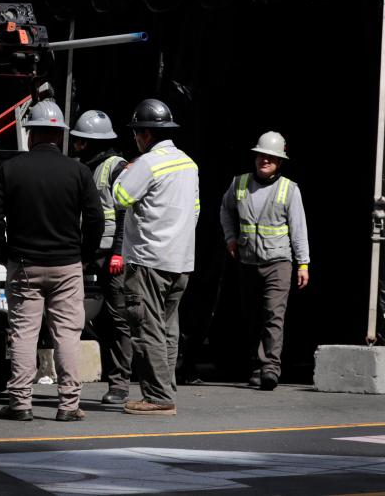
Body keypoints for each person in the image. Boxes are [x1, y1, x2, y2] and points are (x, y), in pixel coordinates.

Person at [0, 101, 104, 422]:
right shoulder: (78, 171)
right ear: (60, 135)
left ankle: (21, 403)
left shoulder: (11, 169)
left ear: (31, 134)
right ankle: (68, 405)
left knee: (23, 332)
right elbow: (95, 219)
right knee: (67, 334)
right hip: (67, 265)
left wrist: (4, 253)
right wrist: (85, 257)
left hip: (24, 263)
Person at [112, 99, 199, 416]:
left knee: (146, 329)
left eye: (137, 133)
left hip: (149, 261)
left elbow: (120, 197)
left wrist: (125, 172)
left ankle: (158, 397)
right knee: (167, 330)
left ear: (145, 133)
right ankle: (167, 389)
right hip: (181, 261)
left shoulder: (148, 164)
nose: (135, 138)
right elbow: (196, 211)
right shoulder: (189, 165)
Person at [219, 131, 310, 391]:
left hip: (278, 262)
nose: (264, 161)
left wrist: (303, 263)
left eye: (271, 157)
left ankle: (270, 367)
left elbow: (299, 228)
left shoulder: (289, 190)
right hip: (248, 262)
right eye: (261, 156)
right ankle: (257, 366)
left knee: (273, 314)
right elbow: (225, 210)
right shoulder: (239, 184)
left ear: (279, 162)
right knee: (252, 317)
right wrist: (230, 238)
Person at [70, 109, 131, 406]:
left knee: (118, 317)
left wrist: (118, 251)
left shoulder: (116, 167)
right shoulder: (82, 167)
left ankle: (120, 384)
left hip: (111, 255)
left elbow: (124, 214)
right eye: (77, 141)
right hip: (87, 251)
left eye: (83, 141)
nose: (78, 145)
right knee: (88, 317)